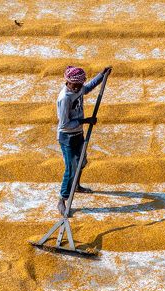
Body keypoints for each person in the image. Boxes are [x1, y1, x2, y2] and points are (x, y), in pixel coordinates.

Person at [56, 64, 111, 215]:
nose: (78, 87)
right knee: (71, 167)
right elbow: (65, 123)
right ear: (68, 81)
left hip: (78, 134)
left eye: (80, 84)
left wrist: (101, 75)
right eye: (76, 85)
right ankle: (62, 199)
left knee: (82, 162)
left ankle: (77, 185)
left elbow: (87, 88)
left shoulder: (78, 88)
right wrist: (85, 121)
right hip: (67, 137)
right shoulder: (64, 98)